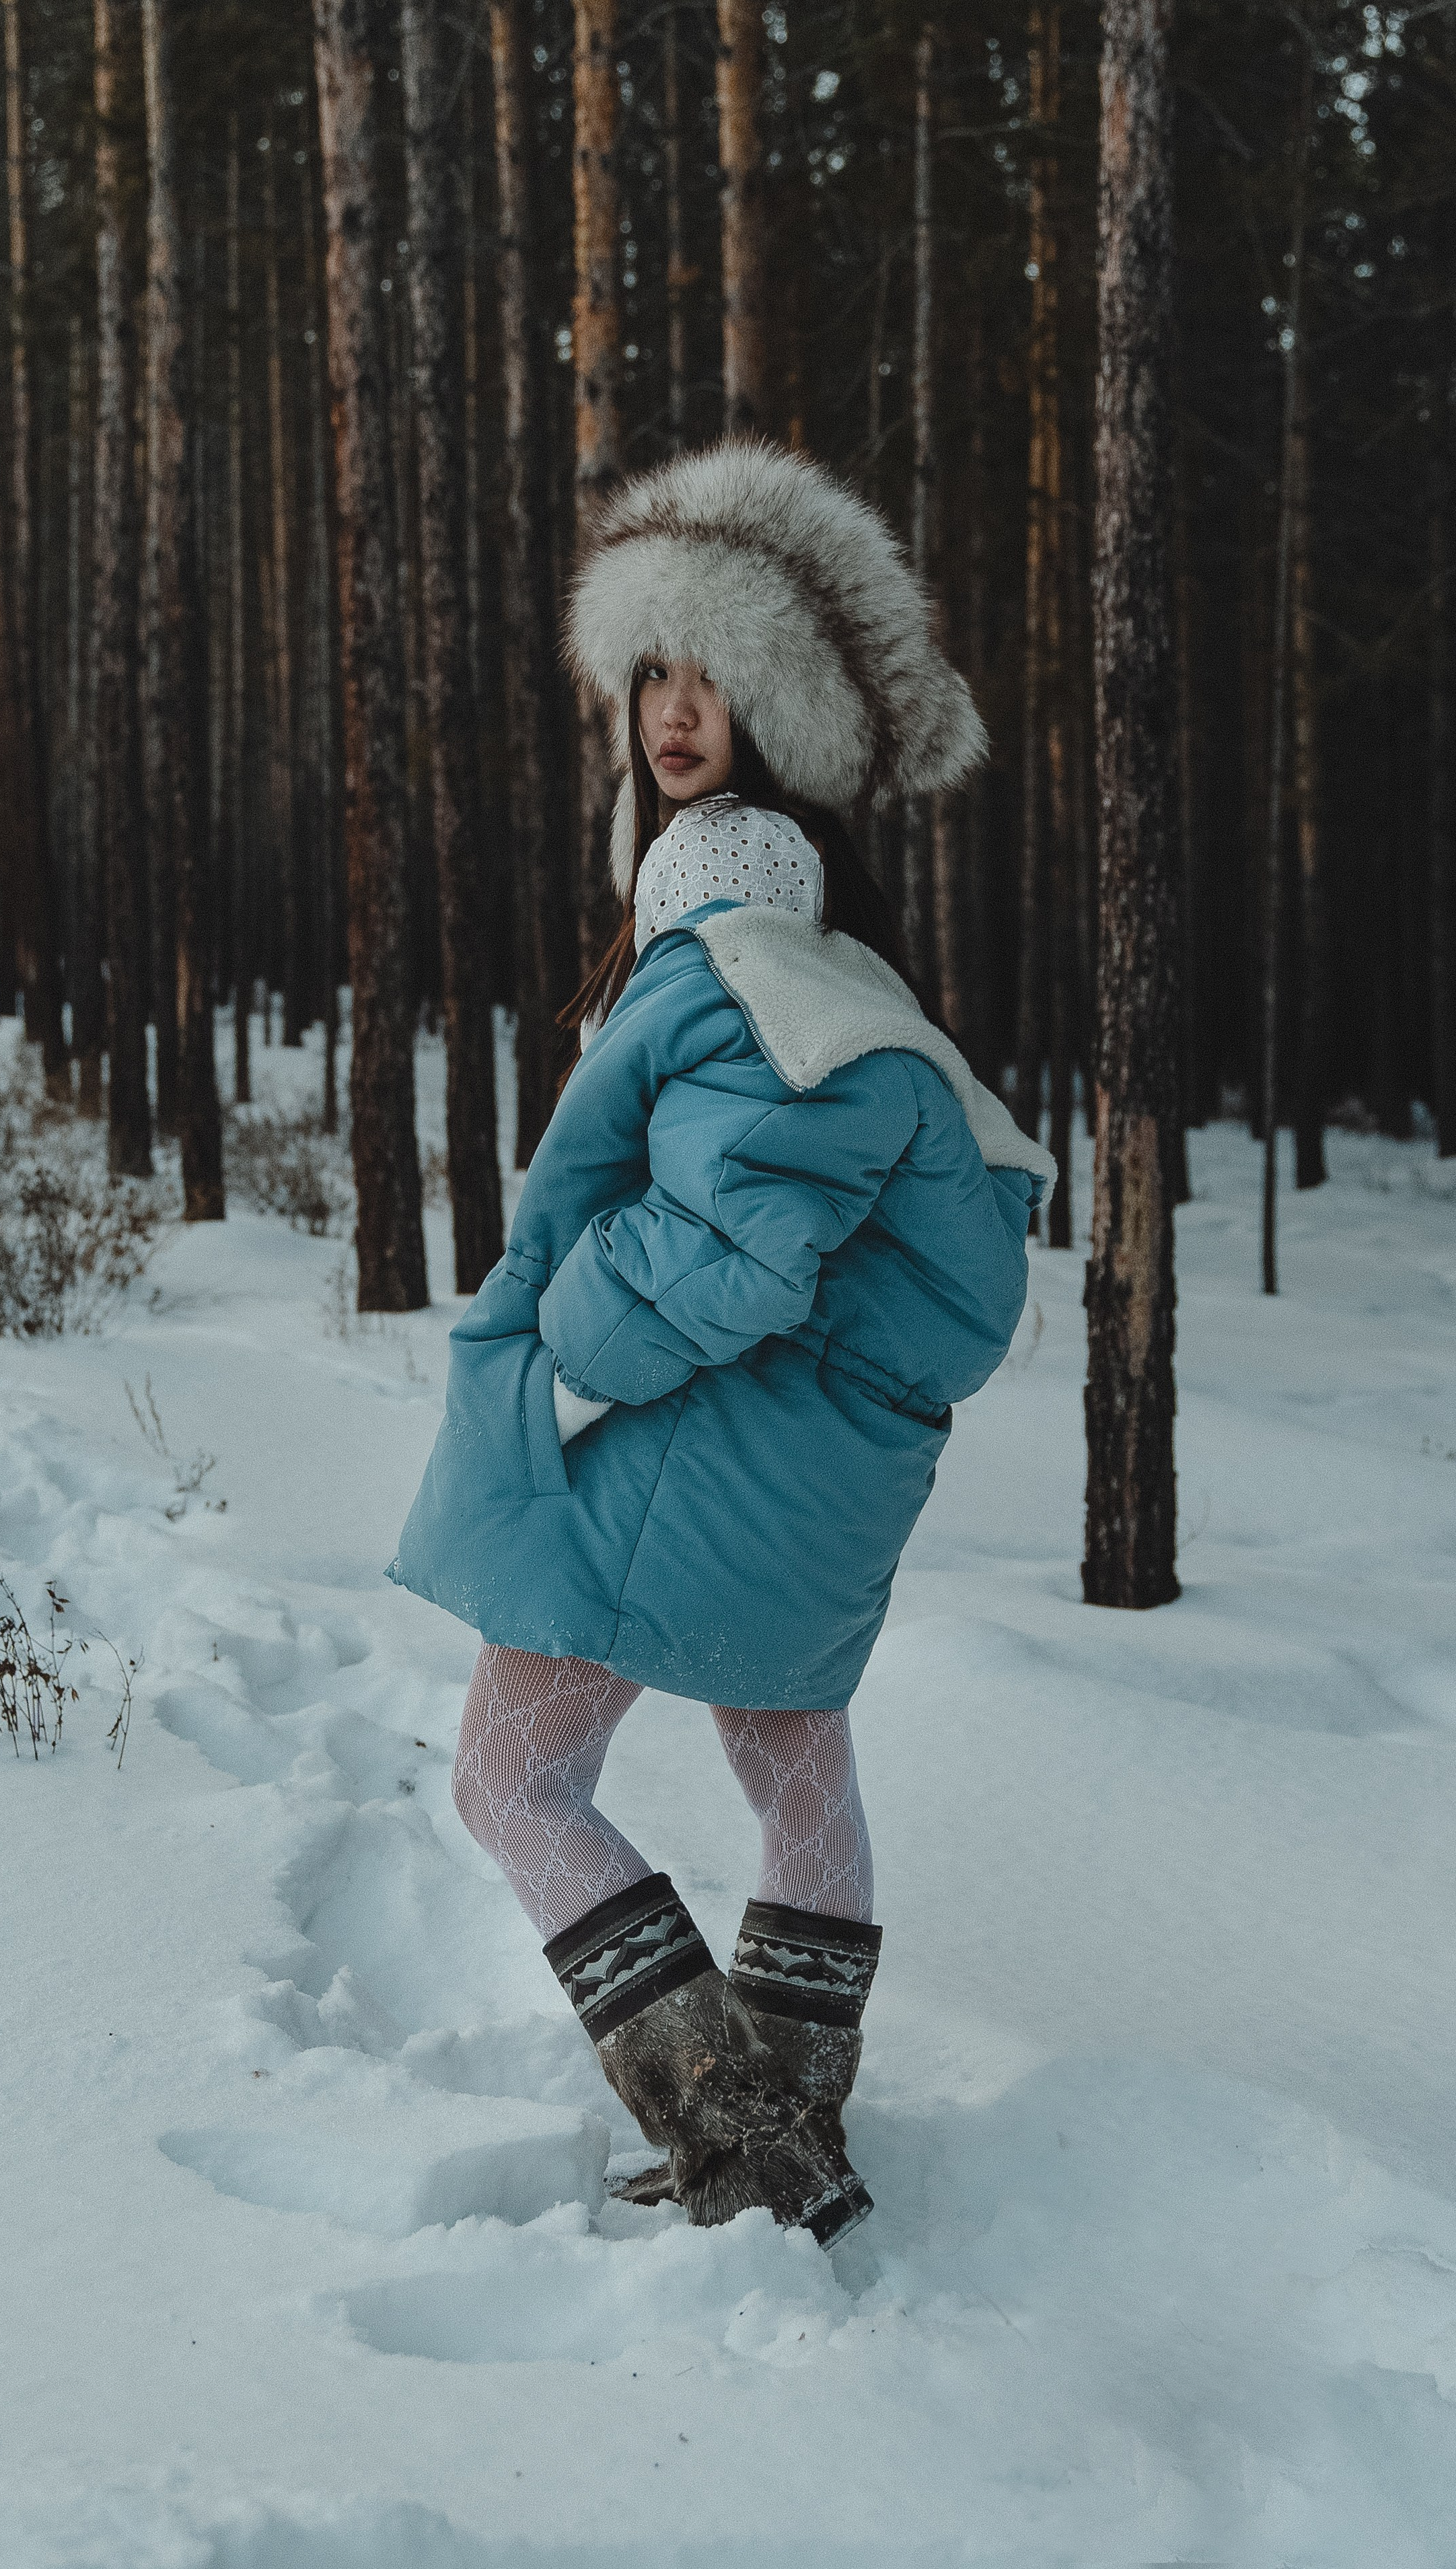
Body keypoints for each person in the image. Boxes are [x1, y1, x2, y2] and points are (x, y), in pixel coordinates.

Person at [391, 439, 1056, 2247]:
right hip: (805, 1460)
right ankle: (793, 2128)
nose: (677, 710)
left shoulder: (741, 928)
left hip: (706, 1436)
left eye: (715, 676)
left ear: (786, 711)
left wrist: (563, 1353)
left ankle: (749, 2132)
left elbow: (740, 1245)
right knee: (793, 1762)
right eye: (653, 675)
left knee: (510, 1778)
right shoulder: (778, 926)